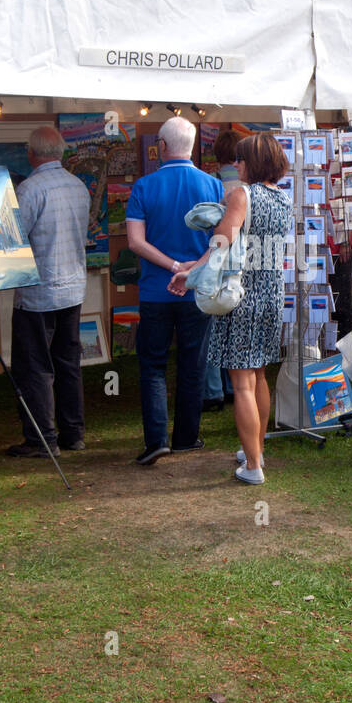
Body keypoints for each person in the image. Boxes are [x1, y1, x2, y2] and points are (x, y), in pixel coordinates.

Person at [170, 133, 291, 484]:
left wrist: (189, 272)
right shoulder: (282, 199)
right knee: (258, 376)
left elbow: (222, 243)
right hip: (270, 291)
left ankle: (253, 466)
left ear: (252, 162)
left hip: (241, 293)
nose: (235, 165)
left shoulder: (241, 195)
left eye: (239, 159)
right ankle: (257, 451)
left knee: (241, 382)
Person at [125, 116, 224, 465]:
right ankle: (186, 436)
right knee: (193, 363)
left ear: (161, 148)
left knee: (152, 366)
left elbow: (135, 242)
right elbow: (222, 241)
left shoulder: (143, 187)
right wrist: (192, 268)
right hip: (197, 291)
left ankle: (156, 441)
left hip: (156, 291)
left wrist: (172, 267)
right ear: (193, 146)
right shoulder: (213, 186)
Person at [6, 125, 90, 457]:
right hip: (72, 289)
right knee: (68, 362)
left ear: (32, 152)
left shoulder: (29, 189)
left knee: (35, 366)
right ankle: (73, 432)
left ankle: (43, 438)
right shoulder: (78, 186)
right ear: (60, 153)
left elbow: (15, 237)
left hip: (39, 292)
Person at [202, 128, 243, 412]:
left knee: (212, 326)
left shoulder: (216, 183)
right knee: (235, 326)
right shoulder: (247, 184)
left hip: (217, 258)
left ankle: (213, 390)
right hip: (243, 258)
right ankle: (232, 386)